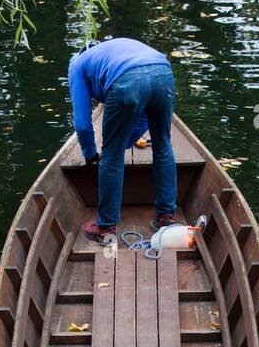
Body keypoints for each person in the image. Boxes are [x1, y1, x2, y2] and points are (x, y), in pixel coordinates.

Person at [68, 37, 179, 241]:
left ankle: (106, 227)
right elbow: (145, 112)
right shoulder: (111, 50)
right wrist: (129, 139)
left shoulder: (77, 65)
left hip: (126, 80)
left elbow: (83, 125)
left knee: (112, 154)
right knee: (163, 144)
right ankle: (166, 217)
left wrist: (91, 155)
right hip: (163, 73)